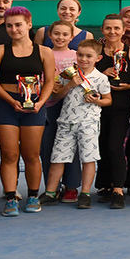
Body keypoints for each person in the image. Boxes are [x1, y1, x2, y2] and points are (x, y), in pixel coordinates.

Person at [0, 7, 56, 216]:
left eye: (18, 25)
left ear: (29, 24)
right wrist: (10, 100)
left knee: (32, 155)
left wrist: (40, 102)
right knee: (9, 154)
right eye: (9, 26)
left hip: (34, 107)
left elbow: (50, 81)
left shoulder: (44, 52)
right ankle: (11, 197)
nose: (14, 29)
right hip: (5, 106)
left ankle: (33, 195)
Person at [41, 38, 112, 210]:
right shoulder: (68, 74)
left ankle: (85, 194)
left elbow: (108, 100)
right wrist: (71, 84)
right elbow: (57, 95)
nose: (83, 59)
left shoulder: (101, 78)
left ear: (98, 58)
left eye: (88, 56)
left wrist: (96, 101)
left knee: (88, 159)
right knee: (57, 158)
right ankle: (50, 192)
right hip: (66, 123)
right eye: (80, 55)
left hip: (89, 124)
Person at [95, 14, 130, 209]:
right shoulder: (95, 52)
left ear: (124, 31)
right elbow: (85, 77)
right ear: (102, 30)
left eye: (116, 28)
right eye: (108, 28)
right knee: (102, 147)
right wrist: (101, 73)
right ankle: (106, 185)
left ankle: (118, 190)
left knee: (115, 147)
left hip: (122, 109)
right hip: (97, 109)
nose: (112, 32)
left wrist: (129, 86)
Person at [38, 19, 82, 200]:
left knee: (72, 147)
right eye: (56, 33)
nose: (60, 37)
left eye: (65, 34)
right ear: (49, 35)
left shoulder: (77, 55)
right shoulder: (43, 53)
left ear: (72, 37)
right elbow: (37, 77)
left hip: (72, 108)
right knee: (47, 147)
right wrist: (47, 86)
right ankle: (52, 187)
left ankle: (71, 186)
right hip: (49, 107)